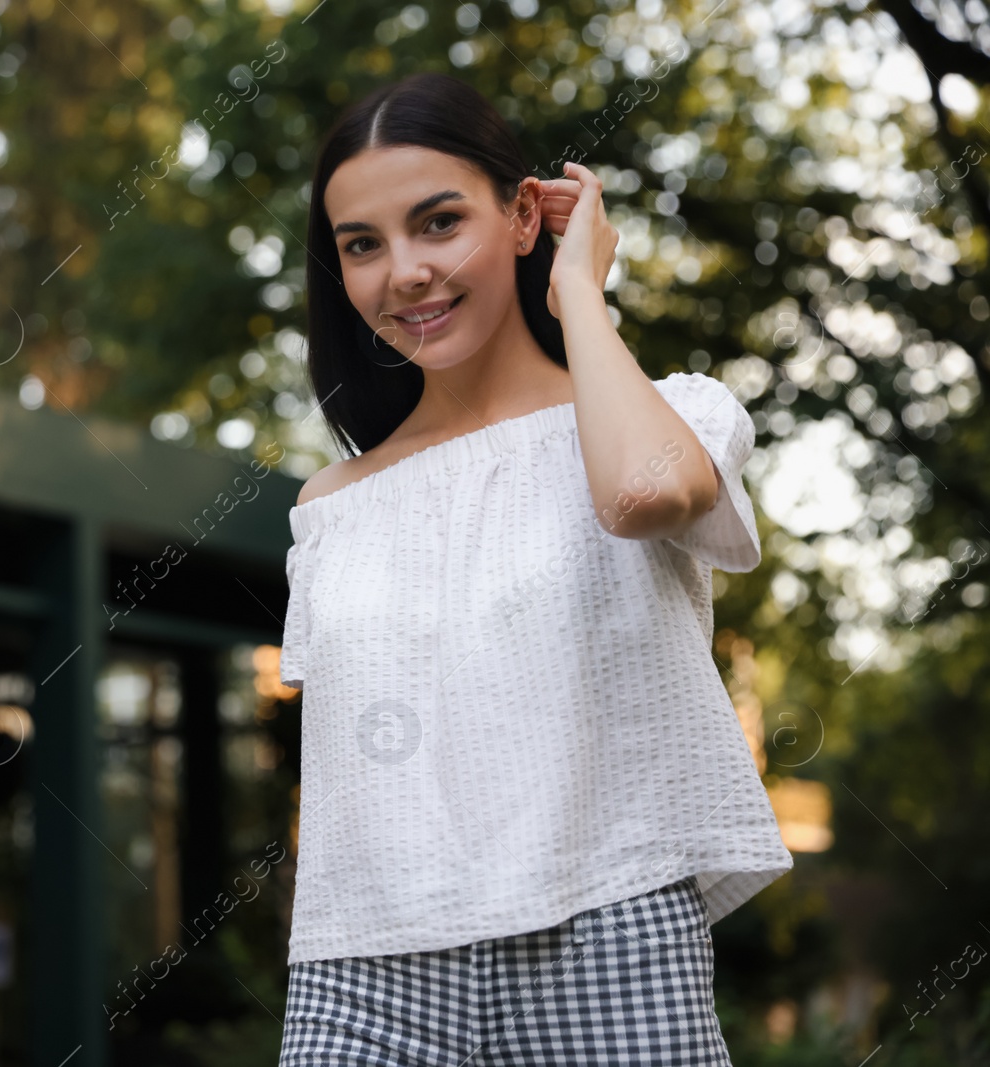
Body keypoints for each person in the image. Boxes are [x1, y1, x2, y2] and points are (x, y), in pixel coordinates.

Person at [276, 72, 793, 1065]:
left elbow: (641, 494)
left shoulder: (675, 411)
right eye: (362, 245)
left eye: (438, 222)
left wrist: (577, 292)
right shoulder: (330, 506)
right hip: (364, 964)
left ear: (523, 216)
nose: (405, 272)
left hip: (605, 934)